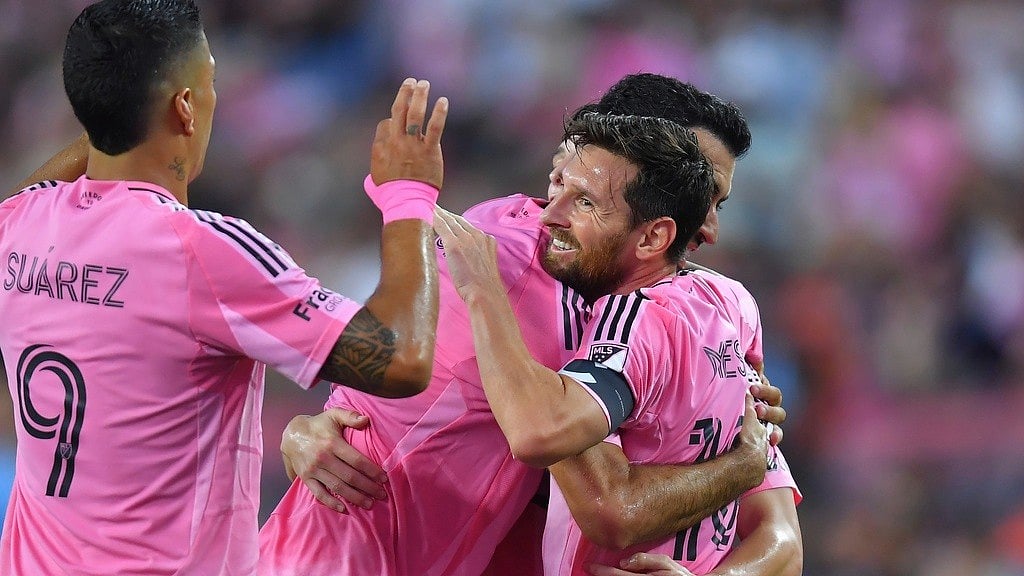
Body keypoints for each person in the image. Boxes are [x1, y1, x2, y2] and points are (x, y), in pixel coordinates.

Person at [261, 76, 797, 576]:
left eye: (715, 199)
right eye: (694, 190)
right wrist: (740, 464)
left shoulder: (711, 308)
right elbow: (608, 503)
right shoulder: (515, 265)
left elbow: (780, 536)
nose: (708, 228)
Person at [0, 1, 449, 573]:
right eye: (210, 81)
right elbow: (402, 357)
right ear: (185, 107)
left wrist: (111, 116)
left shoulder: (19, 228)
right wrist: (408, 195)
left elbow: (24, 195)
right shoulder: (204, 253)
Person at [433, 110, 773, 574]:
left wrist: (483, 290)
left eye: (587, 202)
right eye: (557, 183)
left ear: (654, 234)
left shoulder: (625, 316)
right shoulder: (733, 301)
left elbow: (598, 495)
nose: (550, 214)